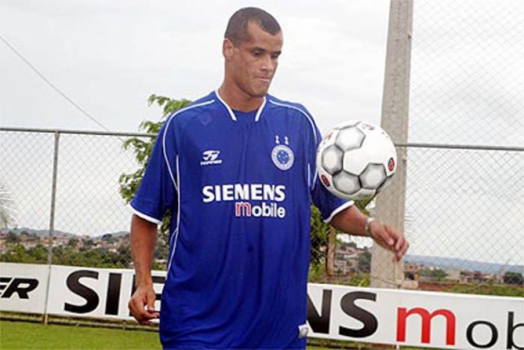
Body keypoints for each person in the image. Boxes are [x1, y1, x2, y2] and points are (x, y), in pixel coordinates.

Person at [128, 7, 409, 350]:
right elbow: (146, 216)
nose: (268, 65)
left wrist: (369, 226)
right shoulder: (183, 127)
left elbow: (333, 208)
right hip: (196, 324)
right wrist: (143, 281)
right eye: (257, 53)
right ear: (228, 49)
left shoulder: (297, 124)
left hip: (277, 328)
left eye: (275, 55)